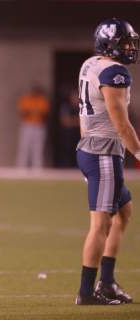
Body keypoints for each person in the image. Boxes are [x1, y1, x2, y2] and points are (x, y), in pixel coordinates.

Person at [75, 18, 138, 305]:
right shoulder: (113, 72)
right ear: (109, 43)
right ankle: (87, 292)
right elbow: (122, 125)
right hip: (102, 152)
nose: (129, 47)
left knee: (123, 212)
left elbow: (85, 116)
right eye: (124, 42)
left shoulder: (91, 63)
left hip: (93, 148)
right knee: (100, 224)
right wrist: (138, 153)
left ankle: (108, 282)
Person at [16, 85, 49, 168]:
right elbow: (22, 113)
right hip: (27, 126)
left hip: (39, 126)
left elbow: (44, 114)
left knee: (38, 149)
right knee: (24, 147)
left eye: (36, 91)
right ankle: (21, 168)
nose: (34, 93)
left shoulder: (42, 100)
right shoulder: (26, 99)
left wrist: (32, 112)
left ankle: (37, 169)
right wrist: (34, 112)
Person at [58, 89, 80, 167]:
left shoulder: (82, 108)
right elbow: (65, 122)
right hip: (68, 135)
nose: (76, 99)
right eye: (74, 97)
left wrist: (72, 121)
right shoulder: (66, 107)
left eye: (77, 97)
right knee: (67, 152)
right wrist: (77, 121)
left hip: (79, 136)